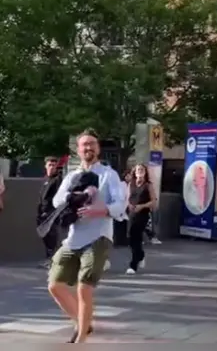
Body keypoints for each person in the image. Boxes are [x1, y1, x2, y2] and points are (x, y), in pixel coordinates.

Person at [48, 129, 128, 343]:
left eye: (92, 144)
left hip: (98, 236)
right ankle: (83, 322)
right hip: (74, 237)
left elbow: (121, 203)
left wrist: (101, 210)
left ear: (98, 148)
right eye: (84, 145)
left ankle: (80, 339)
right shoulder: (72, 175)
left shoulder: (108, 175)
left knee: (84, 288)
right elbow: (57, 201)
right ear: (78, 149)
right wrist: (77, 196)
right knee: (55, 285)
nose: (88, 148)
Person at [126, 164, 156, 275]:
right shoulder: (131, 184)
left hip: (143, 214)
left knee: (137, 237)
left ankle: (133, 265)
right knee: (129, 237)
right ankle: (141, 255)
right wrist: (129, 205)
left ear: (145, 172)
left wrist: (142, 206)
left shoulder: (148, 185)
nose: (140, 171)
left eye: (142, 169)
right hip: (132, 213)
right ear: (134, 172)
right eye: (138, 169)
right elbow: (128, 198)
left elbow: (153, 201)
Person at [38, 156, 64, 268]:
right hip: (41, 212)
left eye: (54, 165)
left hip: (51, 213)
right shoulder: (45, 179)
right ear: (45, 166)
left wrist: (50, 212)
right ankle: (49, 258)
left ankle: (52, 260)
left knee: (51, 236)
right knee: (44, 236)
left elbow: (58, 197)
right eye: (50, 165)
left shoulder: (57, 180)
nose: (52, 167)